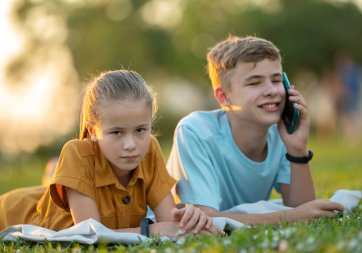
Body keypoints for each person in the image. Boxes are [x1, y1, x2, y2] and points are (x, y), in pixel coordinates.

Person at [0, 70, 223, 237]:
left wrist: (189, 220)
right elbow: (89, 234)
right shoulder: (76, 151)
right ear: (92, 130)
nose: (130, 144)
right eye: (116, 132)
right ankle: (54, 173)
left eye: (140, 130)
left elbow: (170, 223)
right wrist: (152, 230)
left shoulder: (150, 149)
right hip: (11, 211)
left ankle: (53, 174)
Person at [167, 35, 344, 224]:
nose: (272, 91)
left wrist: (297, 150)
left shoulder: (280, 133)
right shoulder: (195, 131)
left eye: (276, 80)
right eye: (254, 82)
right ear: (224, 97)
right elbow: (205, 218)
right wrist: (292, 217)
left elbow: (306, 211)